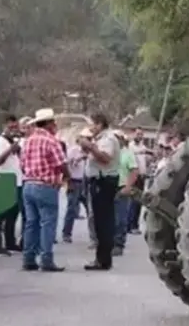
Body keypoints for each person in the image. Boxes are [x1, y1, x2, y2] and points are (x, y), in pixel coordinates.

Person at [19, 108, 67, 272]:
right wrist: (66, 179)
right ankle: (46, 259)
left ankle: (28, 258)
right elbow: (61, 163)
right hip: (45, 185)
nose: (55, 125)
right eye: (53, 122)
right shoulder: (51, 141)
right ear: (48, 124)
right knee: (48, 222)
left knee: (31, 223)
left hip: (28, 185)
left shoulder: (28, 141)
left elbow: (22, 165)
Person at [80, 113, 120, 271]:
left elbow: (105, 158)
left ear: (100, 124)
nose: (91, 128)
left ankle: (103, 259)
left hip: (103, 181)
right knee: (100, 221)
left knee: (103, 222)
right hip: (99, 181)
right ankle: (102, 257)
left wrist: (90, 147)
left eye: (93, 124)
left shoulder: (108, 139)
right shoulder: (100, 139)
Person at [0, 115, 24, 256]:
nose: (13, 130)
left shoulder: (15, 141)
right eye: (10, 127)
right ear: (4, 126)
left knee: (13, 214)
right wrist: (10, 149)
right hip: (3, 181)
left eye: (15, 127)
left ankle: (10, 242)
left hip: (16, 181)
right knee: (0, 214)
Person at [113, 133, 139, 256]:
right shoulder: (111, 153)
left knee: (120, 218)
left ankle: (119, 244)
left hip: (122, 187)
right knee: (109, 218)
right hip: (109, 187)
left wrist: (128, 187)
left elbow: (134, 170)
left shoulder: (127, 154)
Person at [61, 137, 88, 244]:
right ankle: (66, 233)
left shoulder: (91, 150)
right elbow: (68, 164)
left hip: (86, 181)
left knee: (91, 209)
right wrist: (80, 159)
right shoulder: (73, 150)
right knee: (71, 208)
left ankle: (95, 235)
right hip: (74, 181)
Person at [127, 128, 151, 234]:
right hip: (134, 176)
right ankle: (130, 225)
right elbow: (132, 154)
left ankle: (134, 225)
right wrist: (144, 151)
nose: (139, 136)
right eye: (138, 134)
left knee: (138, 202)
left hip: (142, 176)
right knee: (133, 201)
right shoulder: (131, 146)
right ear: (134, 135)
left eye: (141, 134)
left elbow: (145, 159)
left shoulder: (143, 146)